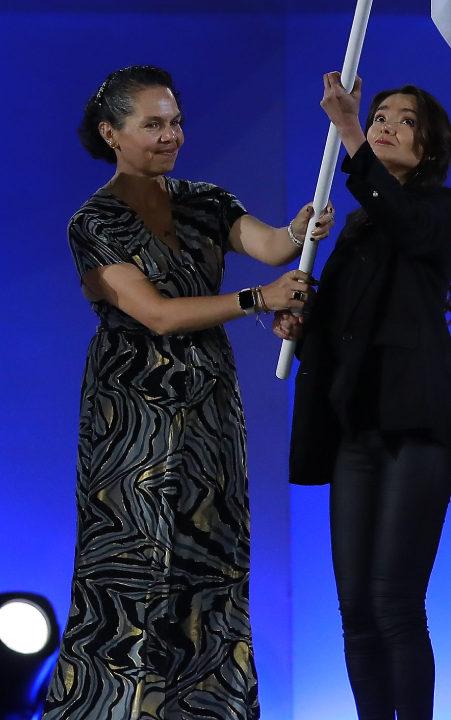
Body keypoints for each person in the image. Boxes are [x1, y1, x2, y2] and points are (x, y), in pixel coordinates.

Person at [43, 65, 332, 720]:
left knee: (212, 565)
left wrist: (300, 230)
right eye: (153, 124)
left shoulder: (206, 200)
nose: (171, 135)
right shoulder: (93, 222)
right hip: (132, 417)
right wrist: (258, 300)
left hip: (208, 411)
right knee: (130, 568)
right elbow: (157, 314)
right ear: (111, 134)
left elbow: (269, 245)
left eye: (175, 122)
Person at [275, 74, 451, 720]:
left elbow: (409, 228)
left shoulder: (437, 212)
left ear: (430, 147)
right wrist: (302, 320)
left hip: (416, 431)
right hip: (356, 430)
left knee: (394, 604)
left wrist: (350, 132)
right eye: (378, 116)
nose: (385, 125)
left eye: (404, 120)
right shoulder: (355, 227)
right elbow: (345, 326)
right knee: (355, 611)